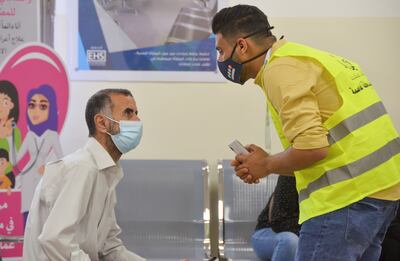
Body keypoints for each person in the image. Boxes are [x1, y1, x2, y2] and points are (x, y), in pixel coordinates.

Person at [212, 4, 400, 261]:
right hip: (382, 194)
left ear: (242, 46)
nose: (221, 60)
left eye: (221, 51)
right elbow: (327, 152)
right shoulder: (311, 58)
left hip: (343, 200)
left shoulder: (280, 70)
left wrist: (266, 165)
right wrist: (267, 162)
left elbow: (313, 148)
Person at [23, 89, 145, 261]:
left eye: (136, 113)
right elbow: (56, 241)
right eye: (128, 113)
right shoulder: (81, 167)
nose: (137, 120)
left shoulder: (106, 172)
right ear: (102, 123)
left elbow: (109, 248)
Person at [8, 84, 63, 227]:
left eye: (42, 106)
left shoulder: (52, 136)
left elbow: (62, 160)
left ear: (51, 110)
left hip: (44, 179)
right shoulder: (29, 135)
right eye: (32, 106)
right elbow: (15, 160)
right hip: (27, 179)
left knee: (44, 218)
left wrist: (48, 168)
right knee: (27, 218)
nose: (35, 111)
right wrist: (11, 137)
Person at [251, 176, 299, 261]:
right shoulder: (290, 174)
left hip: (302, 233)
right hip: (269, 231)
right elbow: (278, 220)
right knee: (290, 241)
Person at [0, 80, 21, 188]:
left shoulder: (15, 132)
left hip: (8, 177)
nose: (1, 107)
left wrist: (9, 137)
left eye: (5, 102)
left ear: (12, 105)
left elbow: (14, 162)